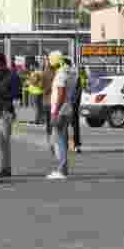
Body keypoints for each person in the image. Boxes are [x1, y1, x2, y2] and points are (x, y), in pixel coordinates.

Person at [47, 51, 78, 180]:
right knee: (61, 140)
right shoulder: (71, 72)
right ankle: (63, 168)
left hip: (60, 110)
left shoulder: (61, 74)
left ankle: (61, 169)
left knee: (59, 141)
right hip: (67, 108)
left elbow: (61, 94)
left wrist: (55, 112)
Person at [71, 65, 87, 153]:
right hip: (72, 103)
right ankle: (76, 144)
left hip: (72, 104)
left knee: (74, 125)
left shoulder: (81, 78)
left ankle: (76, 144)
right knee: (74, 125)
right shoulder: (77, 78)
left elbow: (82, 89)